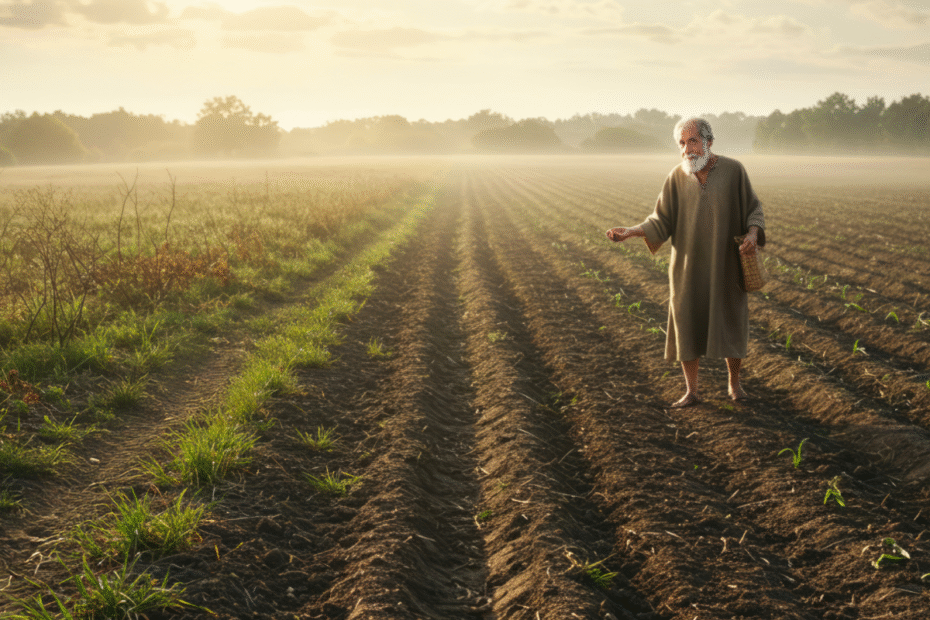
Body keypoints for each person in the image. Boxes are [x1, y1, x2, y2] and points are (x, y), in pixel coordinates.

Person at [606, 117, 765, 407]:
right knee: (686, 322)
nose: (687, 149)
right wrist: (630, 231)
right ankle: (692, 391)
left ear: (708, 142)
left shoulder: (733, 171)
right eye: (682, 143)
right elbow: (660, 220)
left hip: (726, 265)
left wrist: (753, 235)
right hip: (687, 268)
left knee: (731, 320)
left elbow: (753, 209)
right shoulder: (676, 177)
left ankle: (734, 385)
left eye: (692, 141)